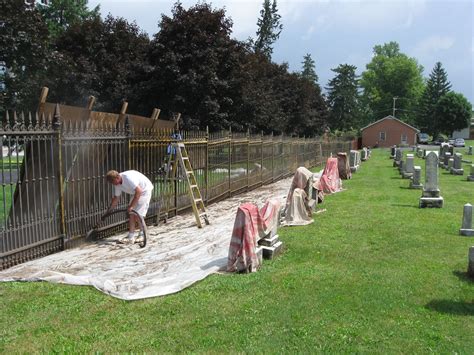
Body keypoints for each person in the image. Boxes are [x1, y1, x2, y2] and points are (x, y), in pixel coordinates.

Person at [105, 170, 154, 244]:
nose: (113, 184)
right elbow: (116, 198)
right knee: (131, 214)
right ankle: (131, 236)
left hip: (144, 191)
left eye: (113, 182)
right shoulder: (117, 183)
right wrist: (110, 209)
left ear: (117, 177)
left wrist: (131, 206)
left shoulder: (128, 178)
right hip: (136, 193)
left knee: (138, 215)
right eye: (111, 183)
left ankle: (142, 235)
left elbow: (139, 191)